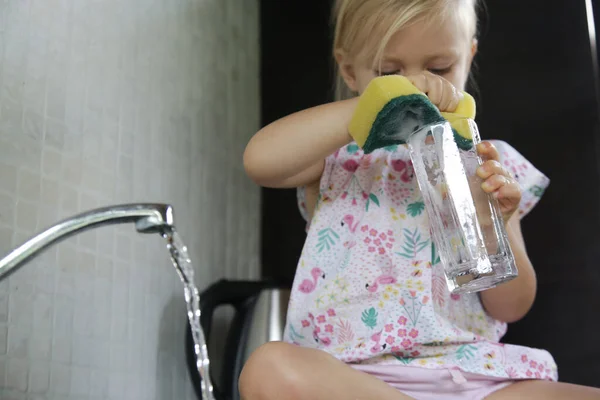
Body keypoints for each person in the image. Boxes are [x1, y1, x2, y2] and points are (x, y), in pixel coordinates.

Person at [240, 0, 600, 399]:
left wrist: (488, 225)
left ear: (469, 56)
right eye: (389, 73)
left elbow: (510, 307)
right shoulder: (337, 156)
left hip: (472, 375)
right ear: (349, 71)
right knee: (268, 369)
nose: (418, 86)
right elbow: (260, 162)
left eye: (439, 68)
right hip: (354, 377)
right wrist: (369, 107)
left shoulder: (484, 162)